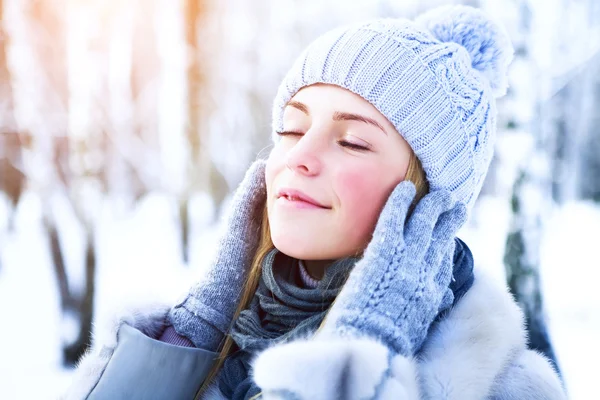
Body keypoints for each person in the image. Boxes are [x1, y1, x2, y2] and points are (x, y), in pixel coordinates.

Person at [63, 5, 567, 400]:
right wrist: (191, 337)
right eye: (292, 128)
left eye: (352, 141)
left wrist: (361, 361)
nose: (298, 156)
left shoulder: (503, 389)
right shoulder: (214, 337)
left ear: (427, 202)